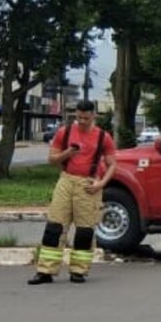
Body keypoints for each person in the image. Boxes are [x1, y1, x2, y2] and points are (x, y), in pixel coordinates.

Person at [28, 100, 117, 285]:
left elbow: (112, 164)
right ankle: (46, 271)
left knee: (85, 230)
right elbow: (52, 159)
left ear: (93, 115)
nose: (82, 121)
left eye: (86, 117)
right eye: (79, 117)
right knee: (55, 227)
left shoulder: (103, 137)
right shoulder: (64, 132)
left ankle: (78, 271)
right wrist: (67, 153)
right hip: (66, 180)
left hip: (88, 184)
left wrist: (101, 183)